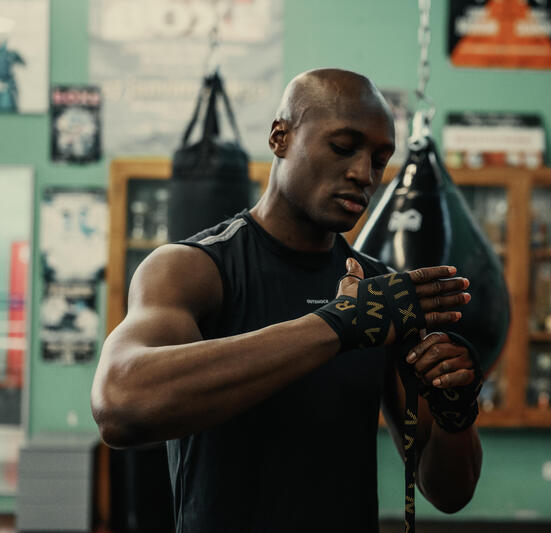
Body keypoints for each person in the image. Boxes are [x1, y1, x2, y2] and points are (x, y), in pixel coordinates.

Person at [91, 68, 483, 532]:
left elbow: (448, 493)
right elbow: (120, 405)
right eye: (343, 147)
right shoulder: (193, 270)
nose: (364, 174)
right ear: (280, 137)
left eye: (380, 160)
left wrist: (457, 413)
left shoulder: (381, 296)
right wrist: (335, 326)